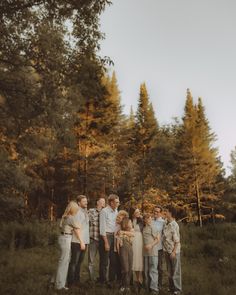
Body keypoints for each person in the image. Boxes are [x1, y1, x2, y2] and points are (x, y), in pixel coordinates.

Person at [54, 201, 81, 290]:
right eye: (76, 209)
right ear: (73, 209)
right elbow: (78, 227)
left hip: (63, 237)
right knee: (64, 262)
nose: (77, 211)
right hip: (66, 238)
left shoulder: (65, 216)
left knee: (62, 261)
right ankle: (59, 285)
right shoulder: (71, 218)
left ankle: (56, 282)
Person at [67, 195, 90, 287]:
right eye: (84, 201)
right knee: (74, 262)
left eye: (86, 201)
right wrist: (81, 242)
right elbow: (76, 229)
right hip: (77, 241)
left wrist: (84, 241)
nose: (86, 203)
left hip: (84, 241)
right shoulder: (76, 212)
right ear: (79, 203)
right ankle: (71, 282)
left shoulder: (85, 212)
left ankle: (77, 280)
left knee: (79, 262)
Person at [99, 194, 120, 285]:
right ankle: (103, 280)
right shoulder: (104, 211)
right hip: (106, 237)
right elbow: (102, 228)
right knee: (104, 261)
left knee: (114, 260)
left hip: (114, 237)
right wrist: (106, 242)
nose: (118, 204)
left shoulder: (116, 211)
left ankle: (111, 280)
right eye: (117, 202)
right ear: (111, 202)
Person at [163, 205, 182, 295]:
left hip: (174, 251)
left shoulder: (174, 225)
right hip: (166, 251)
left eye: (166, 211)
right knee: (169, 271)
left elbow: (177, 241)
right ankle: (171, 288)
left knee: (175, 271)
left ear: (171, 213)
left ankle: (177, 289)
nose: (165, 212)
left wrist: (174, 252)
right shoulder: (166, 223)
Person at [87, 197, 106, 282]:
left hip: (103, 240)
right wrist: (99, 212)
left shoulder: (105, 212)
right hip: (93, 239)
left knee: (103, 260)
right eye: (102, 201)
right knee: (91, 261)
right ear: (98, 202)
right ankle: (92, 278)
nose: (103, 203)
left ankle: (102, 278)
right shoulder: (91, 211)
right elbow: (91, 220)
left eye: (104, 202)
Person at [143, 213, 160, 295]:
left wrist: (151, 245)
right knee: (146, 271)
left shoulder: (153, 227)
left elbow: (157, 239)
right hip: (145, 253)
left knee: (153, 270)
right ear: (145, 220)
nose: (149, 220)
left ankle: (154, 289)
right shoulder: (144, 228)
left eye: (150, 218)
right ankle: (147, 287)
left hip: (153, 252)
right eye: (147, 218)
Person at [117, 217, 134, 293]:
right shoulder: (120, 231)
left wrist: (123, 233)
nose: (131, 224)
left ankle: (127, 286)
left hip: (130, 251)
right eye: (130, 222)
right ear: (126, 223)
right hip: (123, 251)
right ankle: (123, 285)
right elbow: (118, 244)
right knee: (125, 269)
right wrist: (119, 252)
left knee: (130, 269)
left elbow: (133, 234)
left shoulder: (132, 230)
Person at [129, 207, 144, 289]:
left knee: (139, 258)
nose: (138, 213)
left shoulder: (141, 221)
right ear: (132, 213)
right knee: (133, 258)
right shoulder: (129, 220)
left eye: (139, 212)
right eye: (136, 212)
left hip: (139, 241)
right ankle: (131, 280)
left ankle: (139, 279)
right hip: (132, 240)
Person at [152, 206, 165, 289]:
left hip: (159, 247)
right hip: (152, 247)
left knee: (159, 266)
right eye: (154, 211)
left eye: (157, 211)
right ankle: (153, 283)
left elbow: (164, 234)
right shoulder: (151, 221)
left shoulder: (163, 222)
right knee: (152, 266)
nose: (155, 213)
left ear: (160, 213)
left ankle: (159, 284)